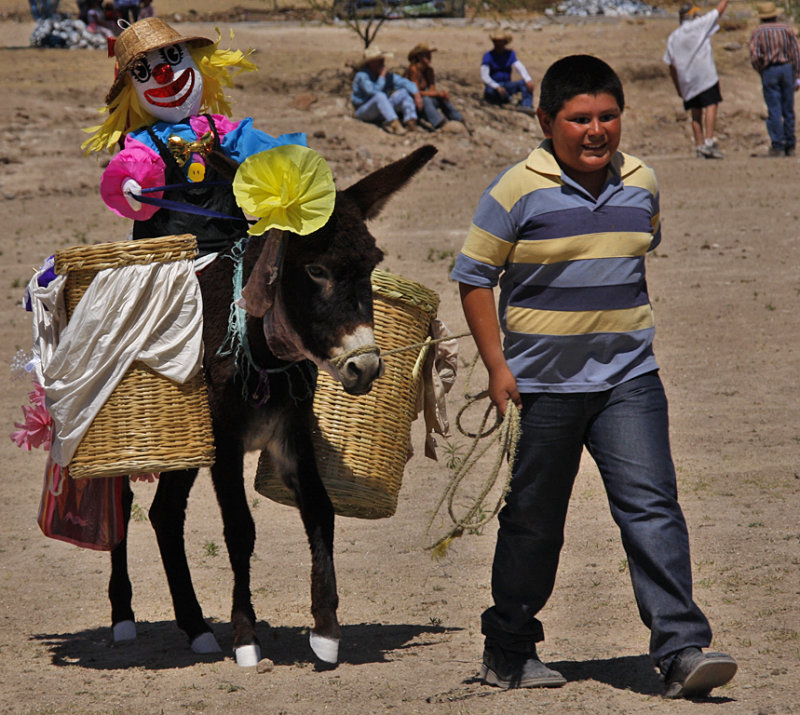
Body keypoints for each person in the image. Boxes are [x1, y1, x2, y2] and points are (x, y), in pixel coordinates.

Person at [450, 54, 737, 699]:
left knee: (652, 507)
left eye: (608, 116)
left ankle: (682, 650)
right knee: (533, 520)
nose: (595, 130)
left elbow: (638, 253)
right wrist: (498, 367)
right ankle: (509, 648)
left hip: (629, 382)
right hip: (540, 388)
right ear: (546, 120)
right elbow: (473, 276)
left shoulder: (643, 183)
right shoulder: (515, 189)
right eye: (579, 119)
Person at [82, 17, 306, 256]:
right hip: (168, 254)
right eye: (143, 71)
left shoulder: (219, 129)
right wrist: (130, 181)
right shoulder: (146, 141)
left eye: (174, 57)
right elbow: (135, 162)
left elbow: (252, 146)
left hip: (229, 245)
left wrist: (286, 163)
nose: (164, 74)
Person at [663, 0, 729, 158]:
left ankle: (699, 146)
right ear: (692, 15)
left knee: (695, 113)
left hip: (686, 80)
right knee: (711, 105)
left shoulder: (673, 37)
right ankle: (709, 142)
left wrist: (678, 86)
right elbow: (718, 11)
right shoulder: (699, 25)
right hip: (705, 75)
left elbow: (670, 65)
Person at [749, 1, 800, 156]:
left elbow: (754, 55)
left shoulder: (758, 32)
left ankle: (778, 144)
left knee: (774, 108)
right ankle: (790, 145)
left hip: (769, 70)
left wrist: (762, 69)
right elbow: (796, 52)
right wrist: (797, 74)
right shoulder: (786, 29)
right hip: (786, 69)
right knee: (788, 108)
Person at [351, 45, 422, 135]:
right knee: (380, 96)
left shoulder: (386, 76)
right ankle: (395, 125)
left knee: (403, 92)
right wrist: (382, 77)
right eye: (379, 60)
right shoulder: (362, 76)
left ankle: (411, 121)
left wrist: (416, 94)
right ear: (371, 63)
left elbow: (404, 82)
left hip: (380, 110)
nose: (383, 62)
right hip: (364, 110)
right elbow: (373, 91)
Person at [404, 42, 463, 130]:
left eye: (429, 54)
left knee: (440, 98)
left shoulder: (429, 71)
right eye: (426, 55)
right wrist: (436, 94)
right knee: (426, 100)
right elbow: (416, 92)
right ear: (419, 57)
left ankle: (458, 119)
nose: (429, 56)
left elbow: (432, 90)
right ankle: (439, 124)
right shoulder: (413, 70)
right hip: (413, 102)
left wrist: (441, 94)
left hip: (422, 99)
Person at [480, 30, 535, 115]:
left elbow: (519, 67)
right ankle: (505, 99)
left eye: (500, 42)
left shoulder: (510, 54)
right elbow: (484, 76)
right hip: (494, 86)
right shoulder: (488, 55)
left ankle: (526, 106)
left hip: (506, 85)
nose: (498, 44)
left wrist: (528, 79)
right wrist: (497, 87)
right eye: (496, 42)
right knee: (489, 92)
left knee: (524, 84)